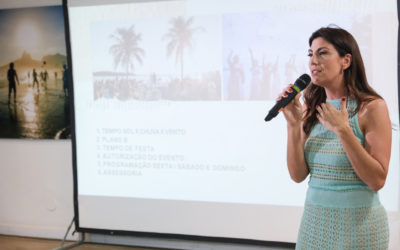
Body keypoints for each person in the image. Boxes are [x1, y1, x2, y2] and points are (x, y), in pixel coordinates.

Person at [278, 27, 391, 249]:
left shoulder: (372, 107)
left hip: (360, 230)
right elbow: (298, 175)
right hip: (314, 226)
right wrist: (293, 125)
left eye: (322, 53)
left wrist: (343, 130)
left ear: (346, 60)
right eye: (310, 54)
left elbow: (377, 180)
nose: (313, 61)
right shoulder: (312, 109)